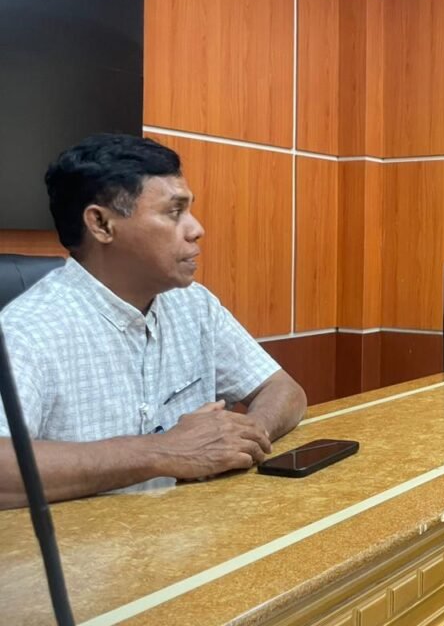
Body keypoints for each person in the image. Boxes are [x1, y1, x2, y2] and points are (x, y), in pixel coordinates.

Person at [0, 134, 307, 508]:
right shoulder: (26, 330)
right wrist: (162, 451)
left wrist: (244, 436)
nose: (196, 229)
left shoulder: (193, 304)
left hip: (193, 530)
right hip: (89, 544)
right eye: (174, 212)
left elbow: (284, 390)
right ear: (102, 224)